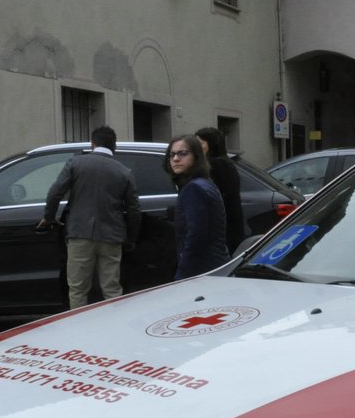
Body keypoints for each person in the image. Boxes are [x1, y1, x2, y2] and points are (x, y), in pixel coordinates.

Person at [38, 125, 141, 309]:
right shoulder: (124, 172)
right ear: (114, 146)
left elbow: (55, 193)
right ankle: (115, 327)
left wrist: (49, 217)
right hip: (112, 236)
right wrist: (131, 239)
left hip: (79, 233)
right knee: (111, 288)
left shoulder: (75, 163)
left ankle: (79, 331)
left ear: (92, 143)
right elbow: (134, 210)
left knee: (78, 289)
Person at [165, 134, 228, 279]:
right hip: (213, 265)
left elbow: (196, 236)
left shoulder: (194, 188)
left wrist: (182, 273)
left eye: (183, 153)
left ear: (196, 157)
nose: (175, 159)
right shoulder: (204, 183)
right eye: (172, 154)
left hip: (202, 270)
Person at [195, 126, 246, 252]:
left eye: (200, 143)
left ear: (211, 144)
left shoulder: (217, 164)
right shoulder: (222, 162)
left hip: (224, 226)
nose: (196, 147)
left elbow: (221, 195)